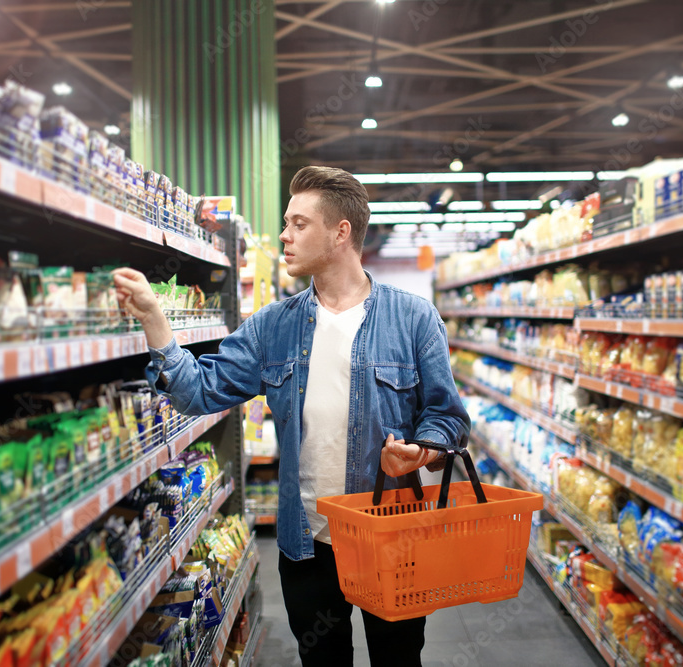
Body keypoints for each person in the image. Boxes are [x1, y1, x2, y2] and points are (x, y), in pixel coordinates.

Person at [112, 166, 470, 667]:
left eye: (299, 223)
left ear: (340, 232)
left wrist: (420, 450)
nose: (284, 235)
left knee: (398, 660)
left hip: (392, 538)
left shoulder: (412, 318)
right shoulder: (272, 327)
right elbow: (198, 392)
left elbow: (448, 418)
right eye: (286, 222)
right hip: (307, 545)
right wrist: (153, 317)